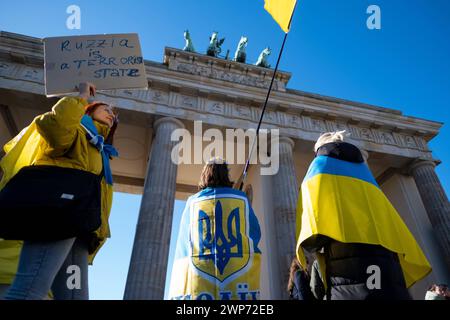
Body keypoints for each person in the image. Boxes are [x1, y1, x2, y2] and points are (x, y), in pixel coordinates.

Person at [0, 82, 119, 300]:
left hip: (80, 229)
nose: (112, 115)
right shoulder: (76, 131)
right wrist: (81, 97)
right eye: (106, 109)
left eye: (113, 113)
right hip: (57, 216)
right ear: (89, 109)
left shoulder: (99, 148)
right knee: (29, 290)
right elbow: (56, 127)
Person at [295, 131, 432, 300]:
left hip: (348, 276)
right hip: (387, 266)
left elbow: (312, 232)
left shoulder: (319, 168)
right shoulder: (363, 171)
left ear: (319, 149)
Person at [167, 158, 262, 300]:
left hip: (198, 284)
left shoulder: (192, 202)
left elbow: (184, 244)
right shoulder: (241, 199)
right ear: (226, 175)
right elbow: (254, 234)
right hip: (237, 284)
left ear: (205, 175)